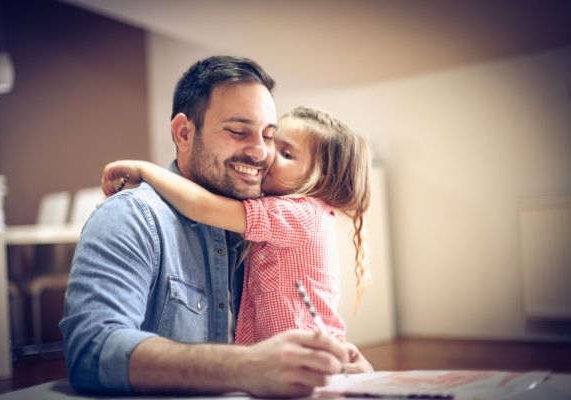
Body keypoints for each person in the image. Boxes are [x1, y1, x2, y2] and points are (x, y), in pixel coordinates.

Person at [60, 56, 371, 397]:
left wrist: (339, 362)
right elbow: (92, 351)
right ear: (183, 132)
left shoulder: (262, 220)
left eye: (268, 136)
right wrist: (247, 366)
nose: (260, 153)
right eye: (238, 132)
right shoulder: (131, 217)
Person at [102, 105, 372, 345]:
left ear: (321, 177)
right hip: (279, 360)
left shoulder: (303, 214)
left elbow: (204, 206)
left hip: (309, 354)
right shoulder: (274, 209)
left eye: (286, 153)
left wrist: (146, 171)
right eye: (270, 141)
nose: (265, 154)